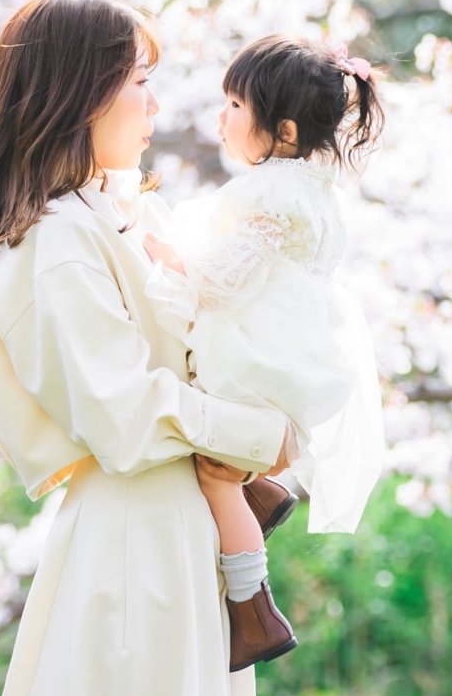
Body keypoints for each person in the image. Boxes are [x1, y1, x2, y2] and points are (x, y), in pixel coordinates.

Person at [0, 0, 298, 696]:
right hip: (132, 532)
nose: (156, 105)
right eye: (138, 82)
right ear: (82, 95)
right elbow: (122, 411)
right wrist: (259, 436)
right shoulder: (58, 242)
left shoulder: (106, 219)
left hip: (167, 527)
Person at [140, 36, 386, 552]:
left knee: (215, 477)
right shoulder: (318, 192)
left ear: (285, 132)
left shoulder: (272, 188)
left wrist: (172, 262)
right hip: (298, 357)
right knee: (219, 472)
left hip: (258, 359)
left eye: (234, 106)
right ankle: (260, 503)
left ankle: (252, 600)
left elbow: (229, 278)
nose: (221, 119)